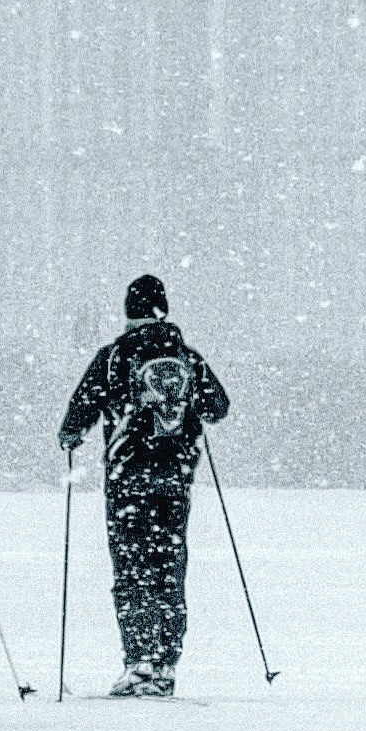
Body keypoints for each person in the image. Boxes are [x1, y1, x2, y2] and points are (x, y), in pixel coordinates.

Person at [56, 273, 230, 697]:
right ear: (164, 308)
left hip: (127, 480)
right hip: (176, 480)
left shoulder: (115, 356)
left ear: (129, 311)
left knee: (131, 570)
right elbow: (219, 407)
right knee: (169, 569)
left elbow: (80, 410)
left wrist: (71, 434)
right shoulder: (188, 357)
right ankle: (167, 664)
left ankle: (139, 662)